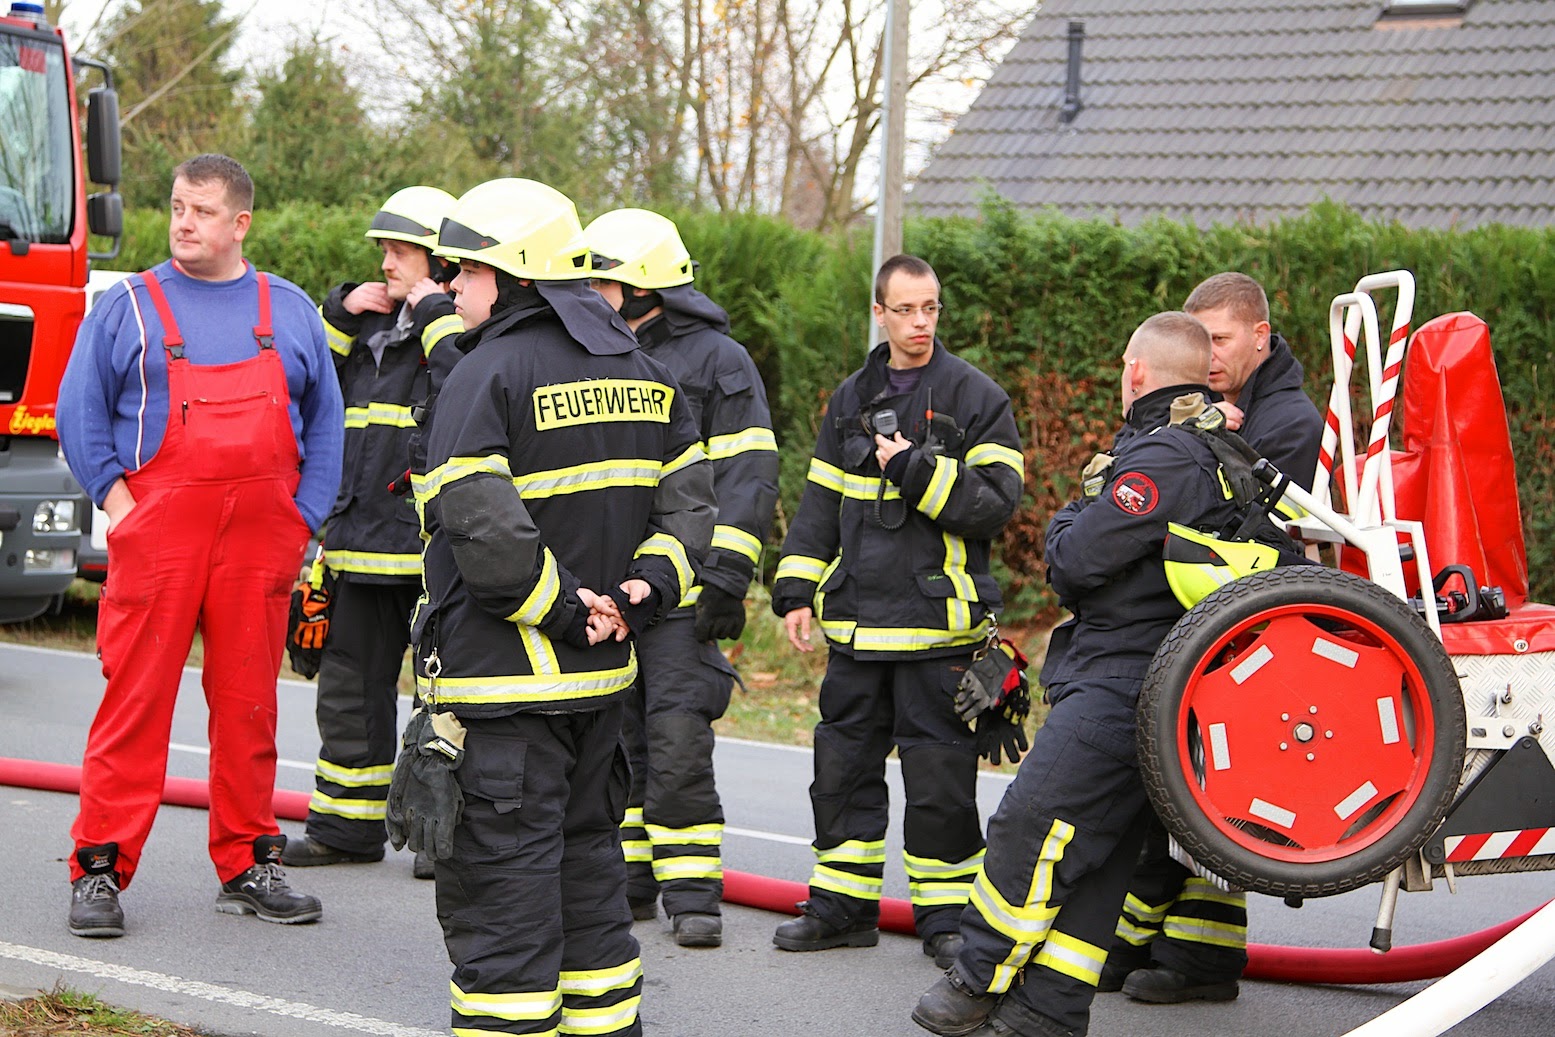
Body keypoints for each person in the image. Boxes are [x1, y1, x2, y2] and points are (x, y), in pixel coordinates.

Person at [409, 178, 714, 1037]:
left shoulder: (485, 374)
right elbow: (689, 511)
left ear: (513, 275)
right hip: (599, 693)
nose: (448, 285)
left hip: (504, 699)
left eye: (460, 268)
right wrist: (635, 596)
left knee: (501, 907)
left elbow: (481, 527)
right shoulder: (645, 371)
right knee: (589, 885)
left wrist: (562, 608)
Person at [911, 311, 1249, 1037]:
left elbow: (1070, 559)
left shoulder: (1165, 457)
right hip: (1160, 681)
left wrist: (1074, 512)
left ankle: (976, 974)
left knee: (1028, 822)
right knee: (1096, 859)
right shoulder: (1211, 450)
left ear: (1135, 372)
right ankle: (1048, 1009)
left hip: (1125, 679)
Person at [57, 154, 344, 938]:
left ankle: (250, 860)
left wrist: (302, 516)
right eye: (179, 207)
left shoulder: (286, 310)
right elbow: (77, 413)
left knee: (250, 706)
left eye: (203, 211)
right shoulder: (129, 307)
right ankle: (99, 868)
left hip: (261, 536)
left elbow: (325, 422)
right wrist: (123, 507)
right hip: (162, 533)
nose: (184, 222)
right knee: (136, 703)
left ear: (240, 223)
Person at [769, 254, 1025, 969]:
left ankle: (945, 918)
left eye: (930, 309)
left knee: (939, 783)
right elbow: (819, 506)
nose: (919, 323)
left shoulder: (976, 397)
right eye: (905, 310)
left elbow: (995, 505)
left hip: (937, 633)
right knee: (841, 772)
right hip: (854, 628)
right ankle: (841, 906)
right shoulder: (849, 398)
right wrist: (793, 588)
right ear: (878, 313)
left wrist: (913, 467)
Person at [1099, 272, 1324, 1004]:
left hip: (1250, 637)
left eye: (1221, 340)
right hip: (1206, 629)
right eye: (1199, 341)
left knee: (1207, 793)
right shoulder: (1214, 407)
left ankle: (1196, 955)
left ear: (1260, 335)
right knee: (1183, 791)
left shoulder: (1287, 420)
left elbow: (1235, 526)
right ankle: (1162, 941)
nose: (1208, 354)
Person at [582, 208, 779, 948]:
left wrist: (726, 574)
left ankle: (691, 891)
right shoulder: (593, 352)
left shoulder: (716, 361)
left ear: (640, 287)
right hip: (613, 593)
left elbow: (749, 471)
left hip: (683, 592)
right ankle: (629, 878)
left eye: (601, 278)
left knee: (674, 739)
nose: (588, 290)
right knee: (613, 739)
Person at [280, 186, 464, 878]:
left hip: (427, 560)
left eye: (400, 251)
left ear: (441, 261)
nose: (385, 262)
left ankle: (434, 837)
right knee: (349, 693)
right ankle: (343, 827)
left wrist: (437, 313)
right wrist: (335, 317)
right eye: (382, 250)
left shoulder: (460, 330)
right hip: (356, 547)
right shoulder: (368, 336)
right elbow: (302, 392)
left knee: (445, 704)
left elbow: (468, 384)